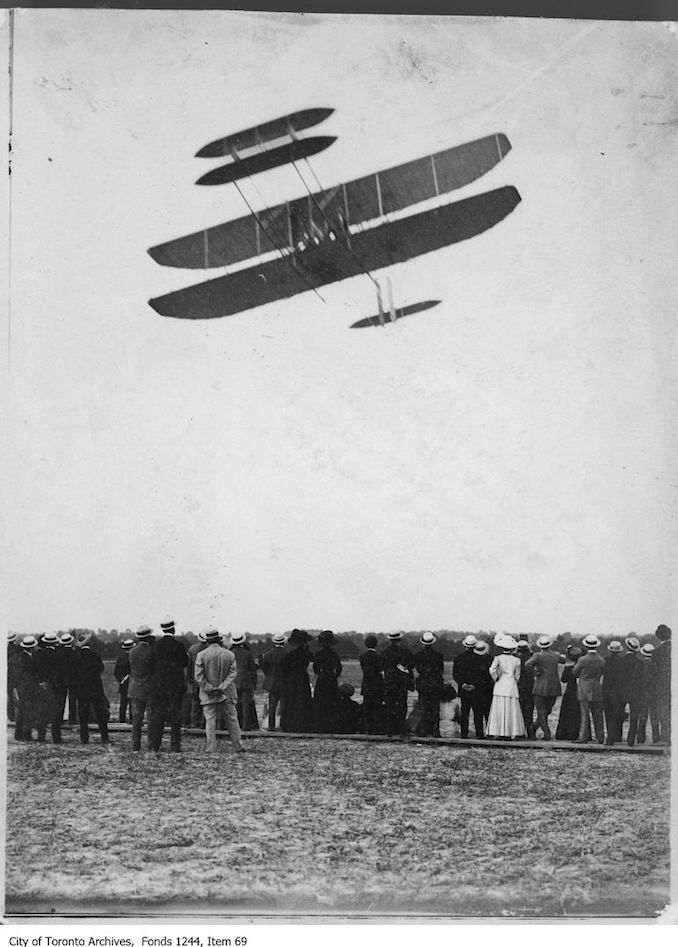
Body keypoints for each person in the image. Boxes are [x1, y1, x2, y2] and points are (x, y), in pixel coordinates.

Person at [194, 628, 244, 753]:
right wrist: (222, 687)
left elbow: (199, 676)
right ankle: (238, 746)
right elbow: (233, 674)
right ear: (219, 639)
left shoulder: (201, 655)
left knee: (210, 721)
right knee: (232, 719)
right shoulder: (229, 654)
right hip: (227, 693)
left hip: (208, 694)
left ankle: (211, 747)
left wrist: (210, 688)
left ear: (207, 641)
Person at [148, 618, 188, 752]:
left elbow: (151, 665)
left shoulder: (156, 646)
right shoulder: (180, 646)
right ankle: (175, 745)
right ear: (173, 629)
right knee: (176, 715)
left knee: (159, 715)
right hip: (176, 686)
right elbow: (184, 663)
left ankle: (155, 745)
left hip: (159, 686)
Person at [72, 632, 111, 746]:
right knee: (100, 713)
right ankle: (105, 737)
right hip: (95, 688)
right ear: (89, 643)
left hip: (82, 689)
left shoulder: (76, 657)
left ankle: (84, 738)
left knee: (83, 714)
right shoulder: (95, 655)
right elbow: (101, 669)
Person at [487, 635, 526, 739]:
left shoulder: (498, 658)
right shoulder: (517, 660)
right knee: (511, 708)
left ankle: (499, 732)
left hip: (500, 685)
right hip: (511, 685)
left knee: (499, 707)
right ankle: (511, 732)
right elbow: (518, 675)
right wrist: (514, 680)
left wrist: (496, 678)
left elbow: (491, 669)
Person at [525, 636, 564, 741]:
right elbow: (564, 660)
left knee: (541, 712)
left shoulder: (537, 656)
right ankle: (541, 731)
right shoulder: (556, 655)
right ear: (550, 645)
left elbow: (527, 664)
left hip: (540, 686)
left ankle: (536, 730)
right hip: (554, 687)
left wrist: (536, 672)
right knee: (547, 711)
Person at [572, 634, 606, 744]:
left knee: (585, 715)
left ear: (586, 646)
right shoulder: (601, 660)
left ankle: (583, 737)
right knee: (598, 715)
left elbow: (574, 672)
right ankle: (600, 737)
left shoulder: (582, 660)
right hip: (597, 688)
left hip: (584, 689)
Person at [128, 625, 156, 752]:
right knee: (151, 718)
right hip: (150, 687)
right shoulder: (152, 650)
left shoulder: (132, 651)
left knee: (136, 718)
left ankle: (135, 745)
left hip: (135, 687)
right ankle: (151, 745)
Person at [280, 629, 314, 732]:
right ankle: (303, 724)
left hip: (292, 679)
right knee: (303, 700)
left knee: (292, 701)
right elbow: (312, 658)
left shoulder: (290, 655)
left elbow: (284, 670)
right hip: (302, 677)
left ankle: (290, 724)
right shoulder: (306, 654)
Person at [453, 635, 485, 739]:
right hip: (477, 690)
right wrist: (474, 685)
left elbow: (456, 674)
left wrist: (463, 684)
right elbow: (481, 675)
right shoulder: (480, 659)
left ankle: (464, 734)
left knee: (464, 713)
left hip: (464, 690)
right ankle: (479, 734)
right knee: (478, 713)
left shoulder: (459, 658)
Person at [382, 631, 413, 737]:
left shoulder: (385, 652)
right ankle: (401, 729)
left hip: (390, 682)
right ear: (399, 639)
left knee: (390, 705)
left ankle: (390, 729)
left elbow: (383, 667)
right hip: (401, 682)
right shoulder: (406, 652)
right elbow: (410, 666)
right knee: (402, 705)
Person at [412, 632, 444, 737]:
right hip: (435, 684)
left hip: (423, 684)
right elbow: (441, 671)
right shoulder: (439, 656)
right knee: (435, 708)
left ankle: (423, 730)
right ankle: (435, 731)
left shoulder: (418, 655)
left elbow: (415, 668)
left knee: (424, 708)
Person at [32, 631, 62, 743]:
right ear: (54, 643)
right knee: (56, 712)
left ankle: (41, 736)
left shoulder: (37, 654)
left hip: (42, 685)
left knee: (42, 711)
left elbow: (33, 670)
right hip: (56, 686)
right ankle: (56, 737)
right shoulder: (59, 655)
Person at [313, 630, 342, 733]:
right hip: (331, 678)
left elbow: (315, 669)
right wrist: (334, 675)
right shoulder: (334, 655)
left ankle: (320, 725)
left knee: (321, 701)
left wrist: (321, 673)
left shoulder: (318, 654)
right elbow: (339, 668)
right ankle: (332, 725)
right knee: (332, 702)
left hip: (322, 678)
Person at [14, 636, 42, 741]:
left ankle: (18, 734)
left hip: (21, 687)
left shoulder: (20, 657)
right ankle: (26, 735)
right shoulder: (29, 658)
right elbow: (28, 675)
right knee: (28, 712)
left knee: (21, 711)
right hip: (28, 688)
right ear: (31, 647)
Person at [231, 632, 260, 730]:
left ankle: (235, 726)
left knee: (235, 705)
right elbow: (253, 670)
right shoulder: (248, 653)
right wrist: (254, 683)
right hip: (246, 682)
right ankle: (246, 726)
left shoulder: (230, 653)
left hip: (233, 682)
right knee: (246, 706)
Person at [628, 643, 655, 746]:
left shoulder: (641, 664)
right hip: (652, 693)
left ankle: (636, 737)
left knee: (638, 715)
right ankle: (642, 737)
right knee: (647, 716)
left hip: (641, 692)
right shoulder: (656, 665)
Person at [649, 624, 671, 745]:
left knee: (664, 712)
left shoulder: (657, 652)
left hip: (662, 686)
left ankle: (666, 738)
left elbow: (653, 672)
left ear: (659, 637)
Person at [259, 632, 286, 731]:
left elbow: (264, 668)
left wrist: (269, 676)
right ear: (283, 642)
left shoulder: (268, 655)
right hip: (284, 683)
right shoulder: (286, 655)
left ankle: (271, 726)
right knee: (283, 705)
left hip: (272, 683)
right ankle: (283, 725)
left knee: (272, 706)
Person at [555, 644, 582, 740]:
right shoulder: (582, 666)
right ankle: (575, 733)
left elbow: (563, 679)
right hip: (580, 690)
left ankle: (563, 733)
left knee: (566, 713)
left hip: (570, 691)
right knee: (577, 713)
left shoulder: (568, 667)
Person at [602, 640, 626, 744]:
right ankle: (618, 735)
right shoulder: (622, 661)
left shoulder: (605, 660)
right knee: (618, 713)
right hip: (619, 690)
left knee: (608, 713)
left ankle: (610, 735)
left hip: (607, 690)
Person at [359, 634, 385, 735]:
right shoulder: (379, 657)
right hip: (377, 685)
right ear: (376, 644)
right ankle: (376, 729)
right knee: (376, 708)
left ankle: (367, 729)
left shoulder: (362, 657)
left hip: (367, 685)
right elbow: (380, 671)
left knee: (367, 709)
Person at [186, 631, 207, 728]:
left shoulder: (193, 649)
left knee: (195, 702)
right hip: (207, 680)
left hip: (195, 679)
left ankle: (194, 723)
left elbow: (189, 666)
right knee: (206, 702)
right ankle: (203, 723)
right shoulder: (209, 649)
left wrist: (189, 679)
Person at [517, 640, 536, 737]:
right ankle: (531, 733)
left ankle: (520, 732)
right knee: (529, 711)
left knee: (519, 710)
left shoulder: (516, 658)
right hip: (530, 686)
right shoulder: (531, 658)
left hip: (519, 686)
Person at [473, 640, 494, 727]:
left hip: (477, 688)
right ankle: (490, 732)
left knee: (478, 713)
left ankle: (479, 733)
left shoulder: (473, 660)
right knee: (488, 712)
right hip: (488, 688)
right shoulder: (490, 659)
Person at [114, 638, 134, 723]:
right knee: (132, 703)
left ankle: (121, 719)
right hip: (132, 682)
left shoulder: (120, 658)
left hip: (123, 683)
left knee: (123, 703)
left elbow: (116, 671)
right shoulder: (134, 657)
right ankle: (132, 719)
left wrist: (120, 680)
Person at [7, 631, 22, 723]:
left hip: (8, 676)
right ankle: (19, 716)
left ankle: (11, 716)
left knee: (10, 697)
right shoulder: (18, 649)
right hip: (17, 675)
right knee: (19, 696)